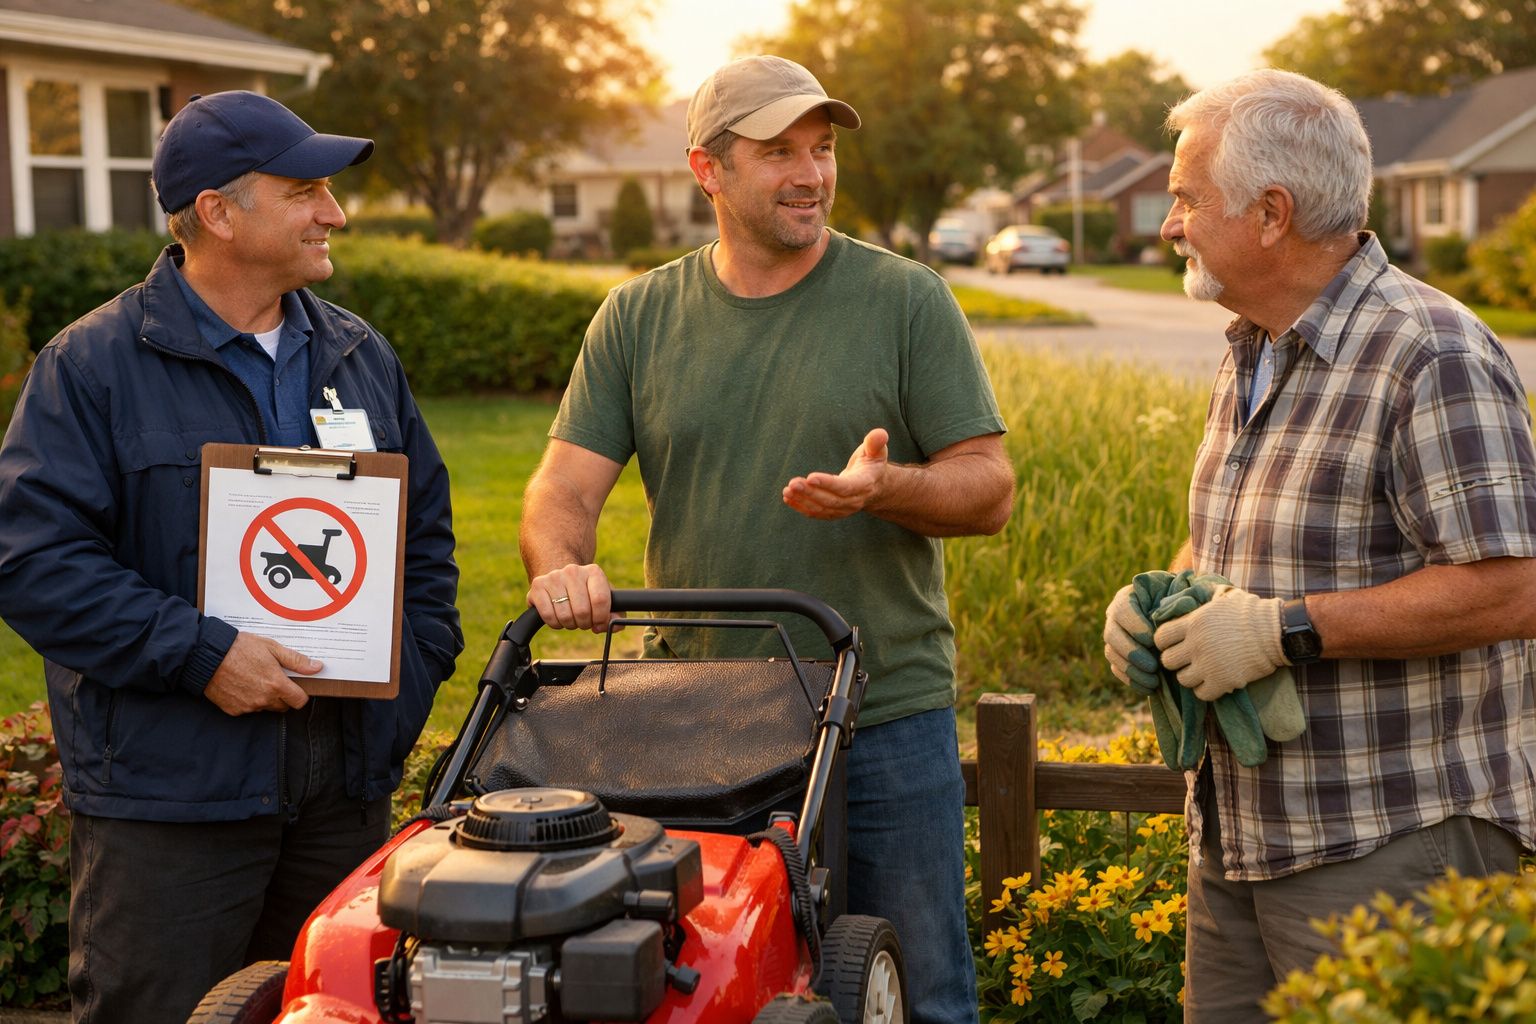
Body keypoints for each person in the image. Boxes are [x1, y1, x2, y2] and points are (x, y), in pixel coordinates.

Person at [518, 55, 1014, 1024]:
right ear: (708, 169)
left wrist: (887, 489)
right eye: (778, 150)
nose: (811, 173)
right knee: (713, 987)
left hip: (880, 714)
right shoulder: (638, 315)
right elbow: (560, 488)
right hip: (698, 716)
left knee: (920, 994)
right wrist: (562, 563)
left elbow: (988, 489)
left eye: (822, 150)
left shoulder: (906, 299)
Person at [0, 91, 462, 1024]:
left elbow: (426, 548)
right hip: (169, 816)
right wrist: (202, 653)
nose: (335, 213)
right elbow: (32, 560)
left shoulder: (357, 355)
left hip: (338, 806)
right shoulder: (91, 366)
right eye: (307, 191)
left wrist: (400, 688)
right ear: (217, 211)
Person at [1102, 68, 1536, 1022]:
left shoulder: (1433, 352)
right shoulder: (1251, 344)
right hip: (1242, 837)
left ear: (1270, 213)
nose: (1169, 223)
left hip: (1388, 839)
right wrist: (1159, 599)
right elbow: (1248, 540)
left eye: (1186, 198)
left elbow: (1512, 587)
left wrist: (1283, 631)